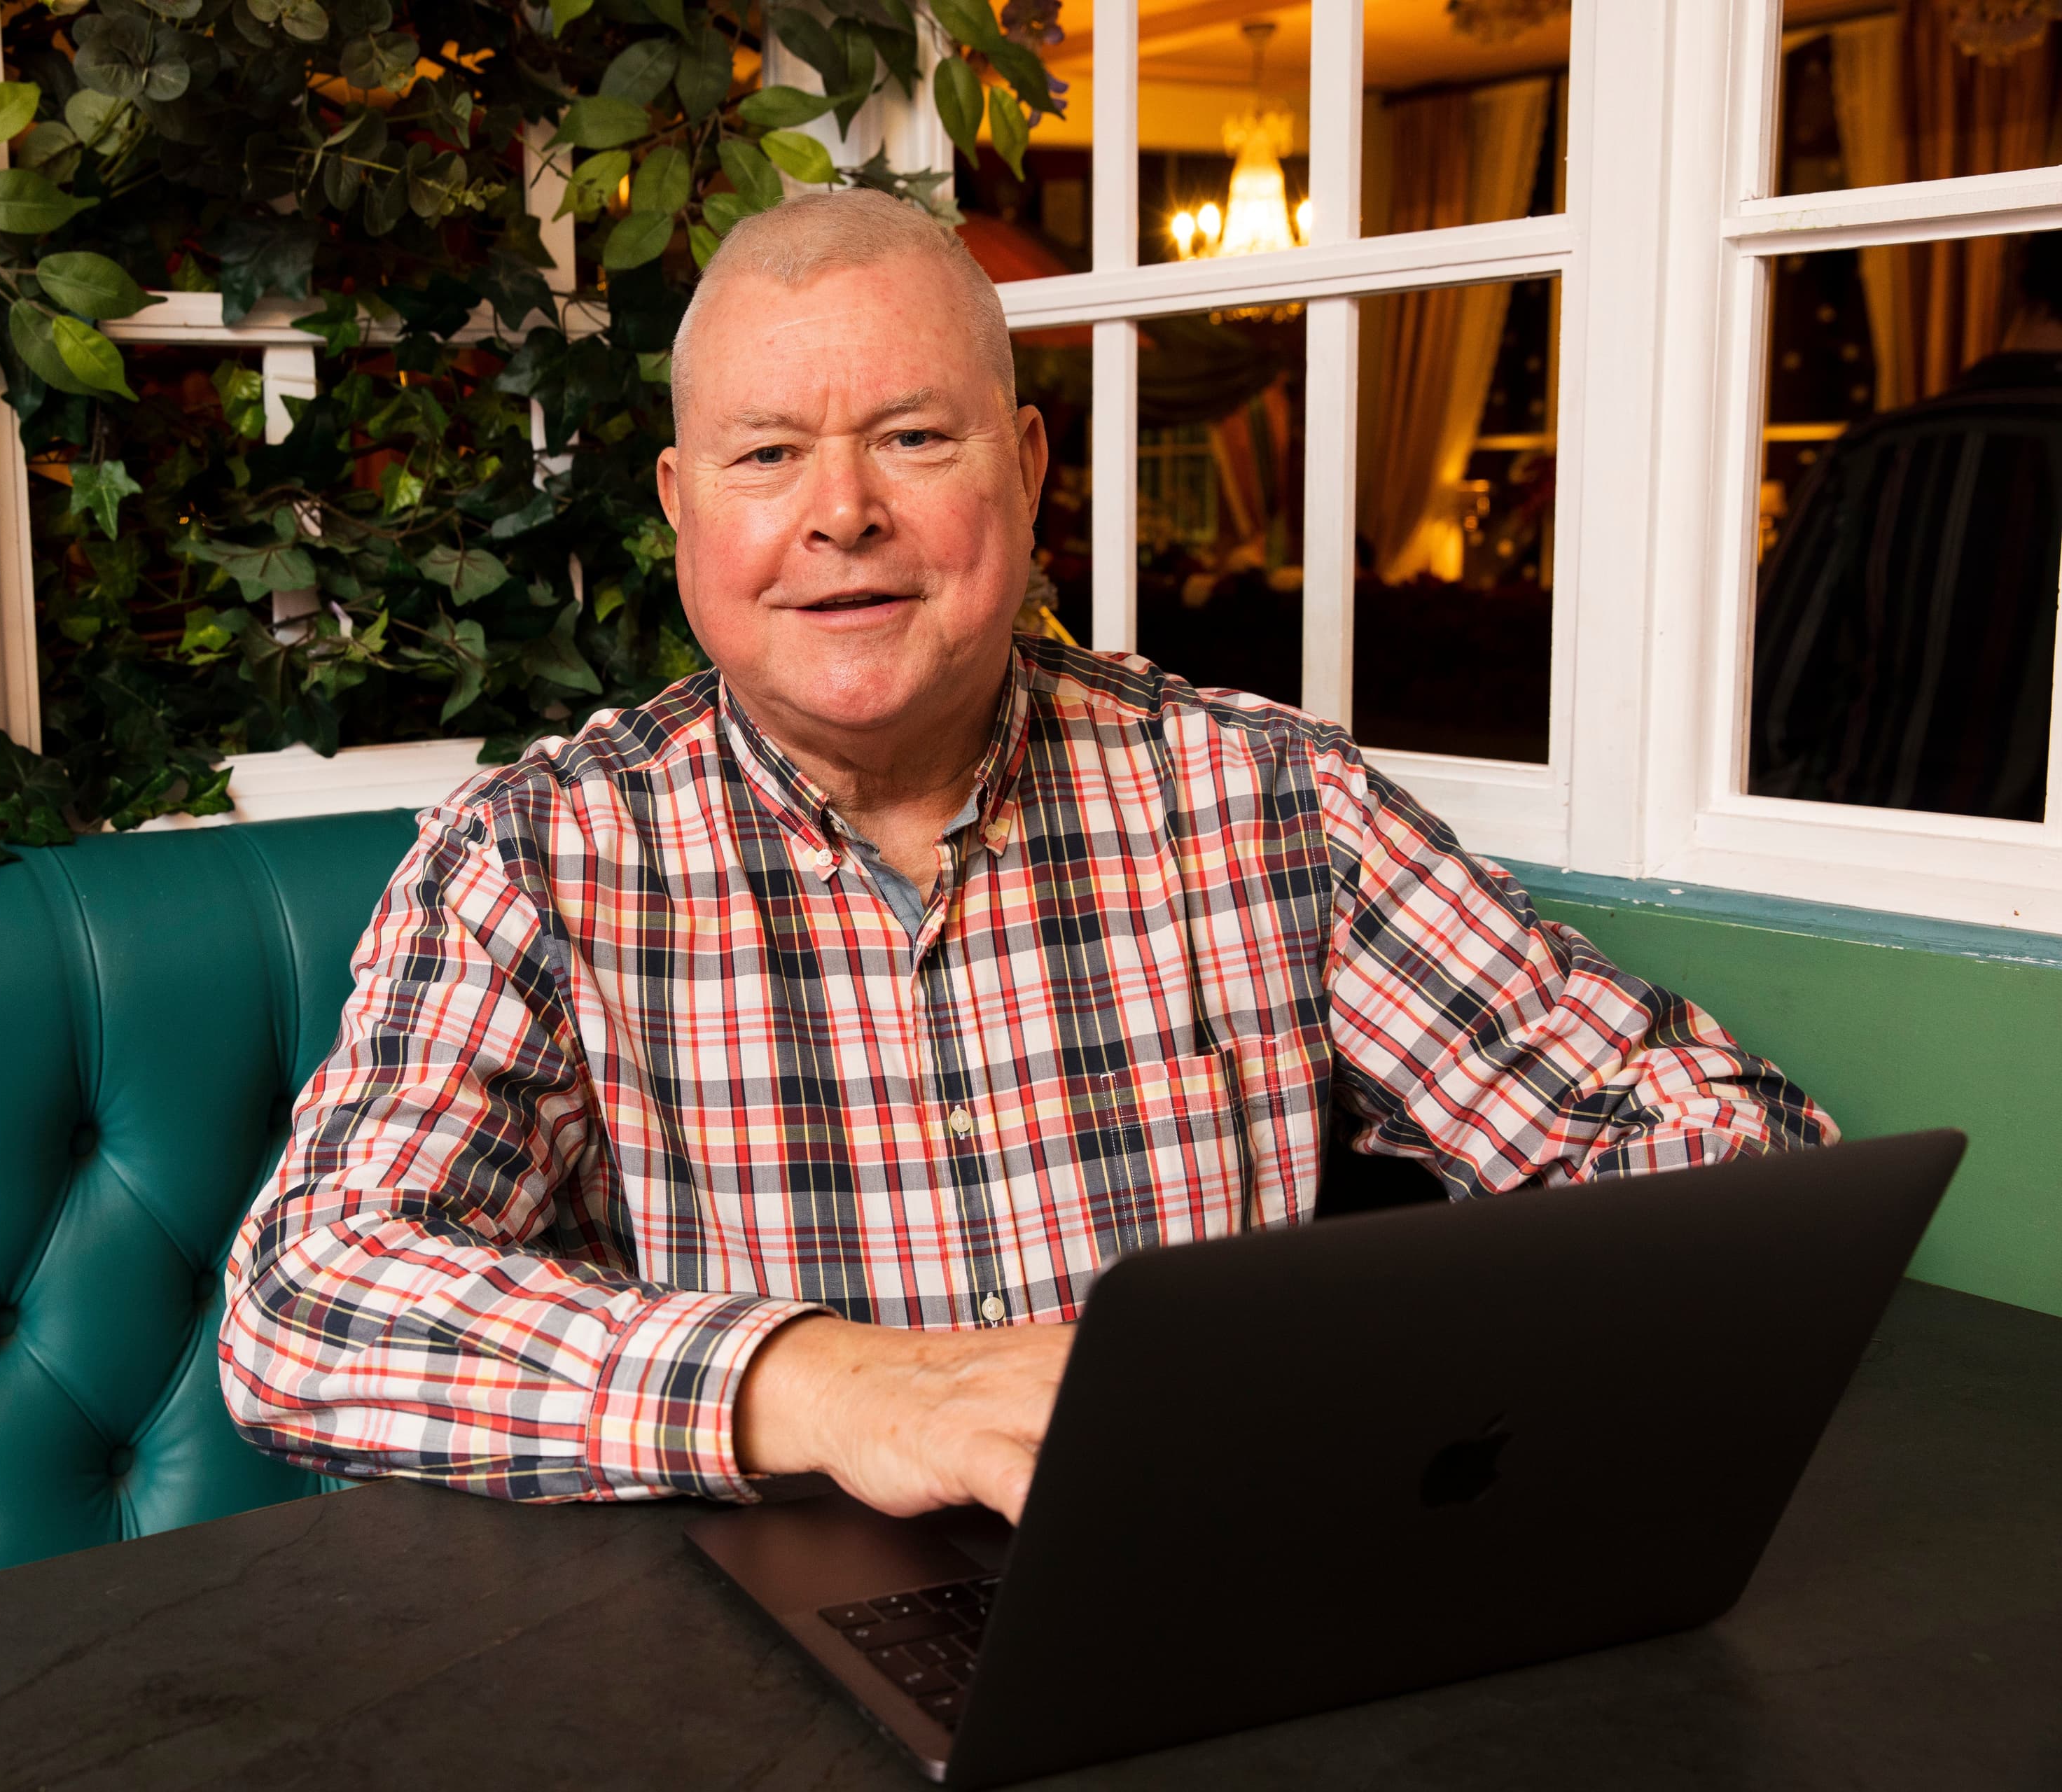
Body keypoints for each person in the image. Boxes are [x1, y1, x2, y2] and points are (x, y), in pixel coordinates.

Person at [220, 191, 1833, 1526]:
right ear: (680, 508)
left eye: (912, 436)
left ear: (1028, 470)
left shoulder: (1266, 799)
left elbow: (1723, 1147)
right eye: (765, 454)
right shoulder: (532, 852)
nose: (839, 511)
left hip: (1219, 1574)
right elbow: (303, 1303)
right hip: (753, 1643)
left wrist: (1383, 1369)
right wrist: (836, 1380)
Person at [1748, 231, 2062, 822]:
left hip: (1871, 825)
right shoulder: (1880, 453)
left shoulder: (1884, 452)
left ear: (2017, 289)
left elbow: (1767, 693)